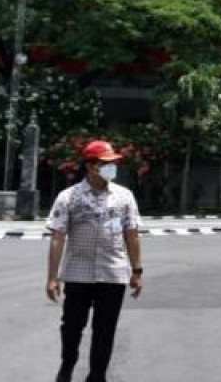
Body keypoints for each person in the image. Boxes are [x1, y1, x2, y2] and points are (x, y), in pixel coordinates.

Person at [45, 139, 144, 382]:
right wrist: (52, 277)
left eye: (113, 163)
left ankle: (97, 375)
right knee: (71, 326)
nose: (112, 167)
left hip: (113, 273)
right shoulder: (69, 197)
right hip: (78, 274)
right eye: (106, 163)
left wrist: (137, 271)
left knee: (105, 330)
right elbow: (58, 238)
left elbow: (132, 234)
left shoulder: (124, 196)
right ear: (90, 166)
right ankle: (68, 363)